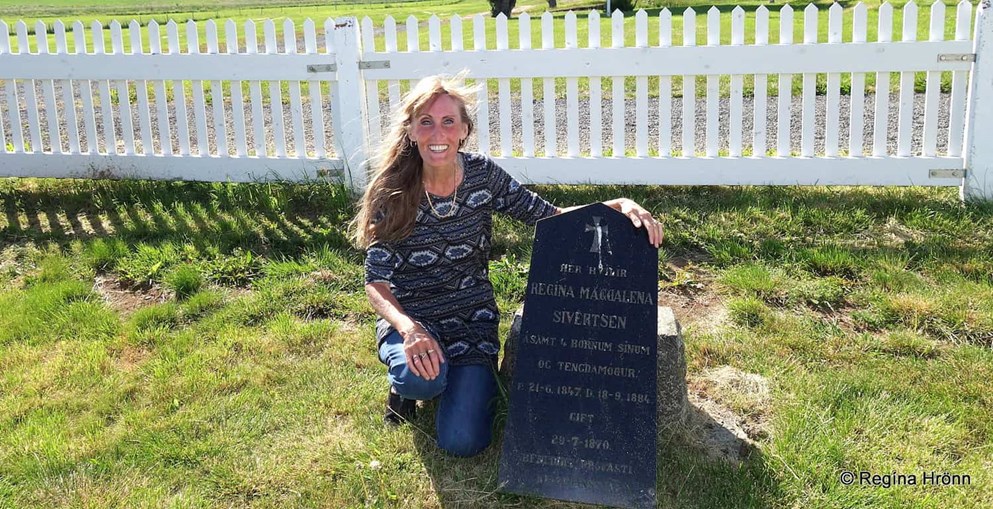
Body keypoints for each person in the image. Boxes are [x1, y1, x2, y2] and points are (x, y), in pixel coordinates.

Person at [352, 74, 664, 458]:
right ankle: (409, 387)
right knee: (420, 381)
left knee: (463, 442)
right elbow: (376, 283)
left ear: (464, 130)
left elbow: (548, 216)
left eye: (449, 121)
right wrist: (409, 328)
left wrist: (616, 206)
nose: (438, 132)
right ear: (412, 131)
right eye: (426, 122)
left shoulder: (482, 175)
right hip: (415, 316)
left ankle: (450, 374)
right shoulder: (393, 190)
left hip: (471, 318)